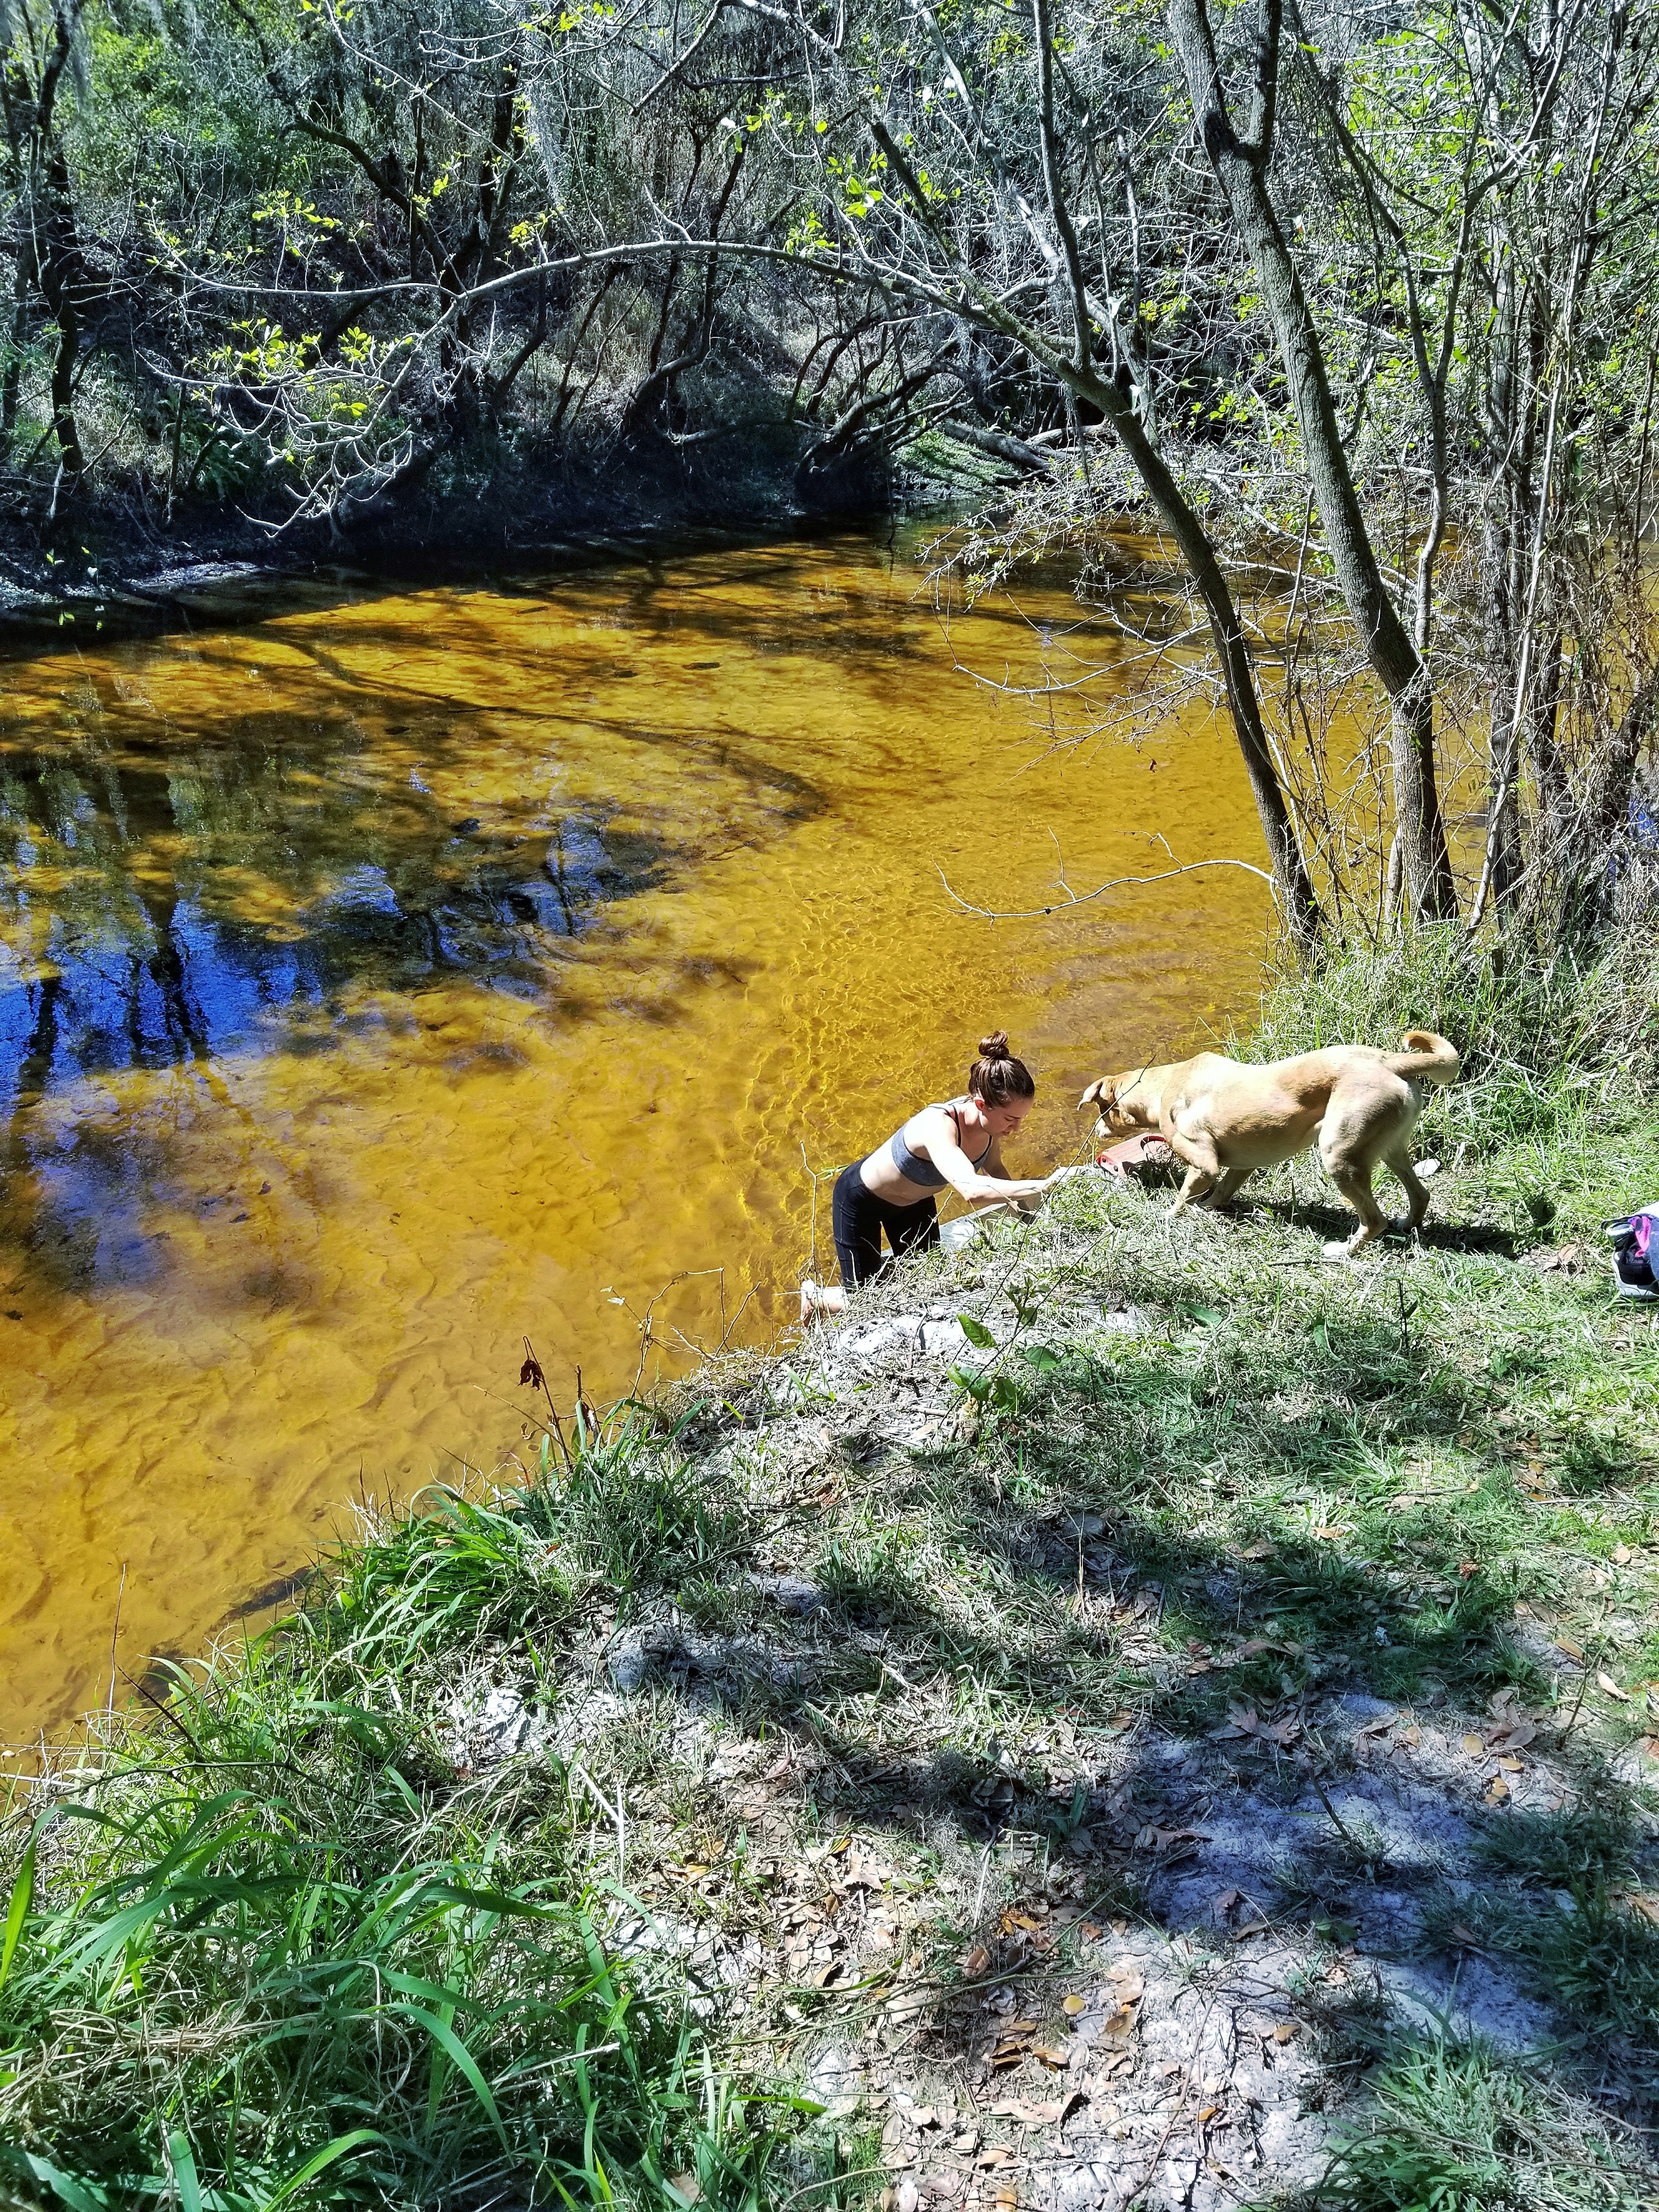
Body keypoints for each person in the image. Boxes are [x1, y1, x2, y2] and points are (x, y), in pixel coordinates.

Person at [800, 1031, 1054, 1319]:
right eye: (1011, 1119)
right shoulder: (938, 1125)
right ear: (981, 1104)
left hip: (916, 1201)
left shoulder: (991, 1126)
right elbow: (971, 1191)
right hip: (863, 1201)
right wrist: (1046, 1185)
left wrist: (1027, 1214)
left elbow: (993, 1169)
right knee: (866, 1304)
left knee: (929, 1282)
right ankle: (816, 1297)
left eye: (1021, 1119)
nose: (1016, 1129)